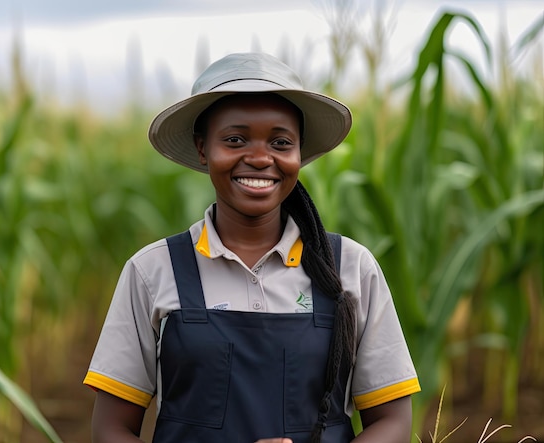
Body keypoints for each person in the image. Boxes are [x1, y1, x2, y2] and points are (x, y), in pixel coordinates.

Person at [83, 52, 421, 443]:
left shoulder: (351, 268)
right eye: (234, 139)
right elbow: (111, 428)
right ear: (202, 148)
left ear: (299, 153)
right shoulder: (153, 270)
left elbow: (393, 422)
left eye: (280, 142)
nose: (260, 158)